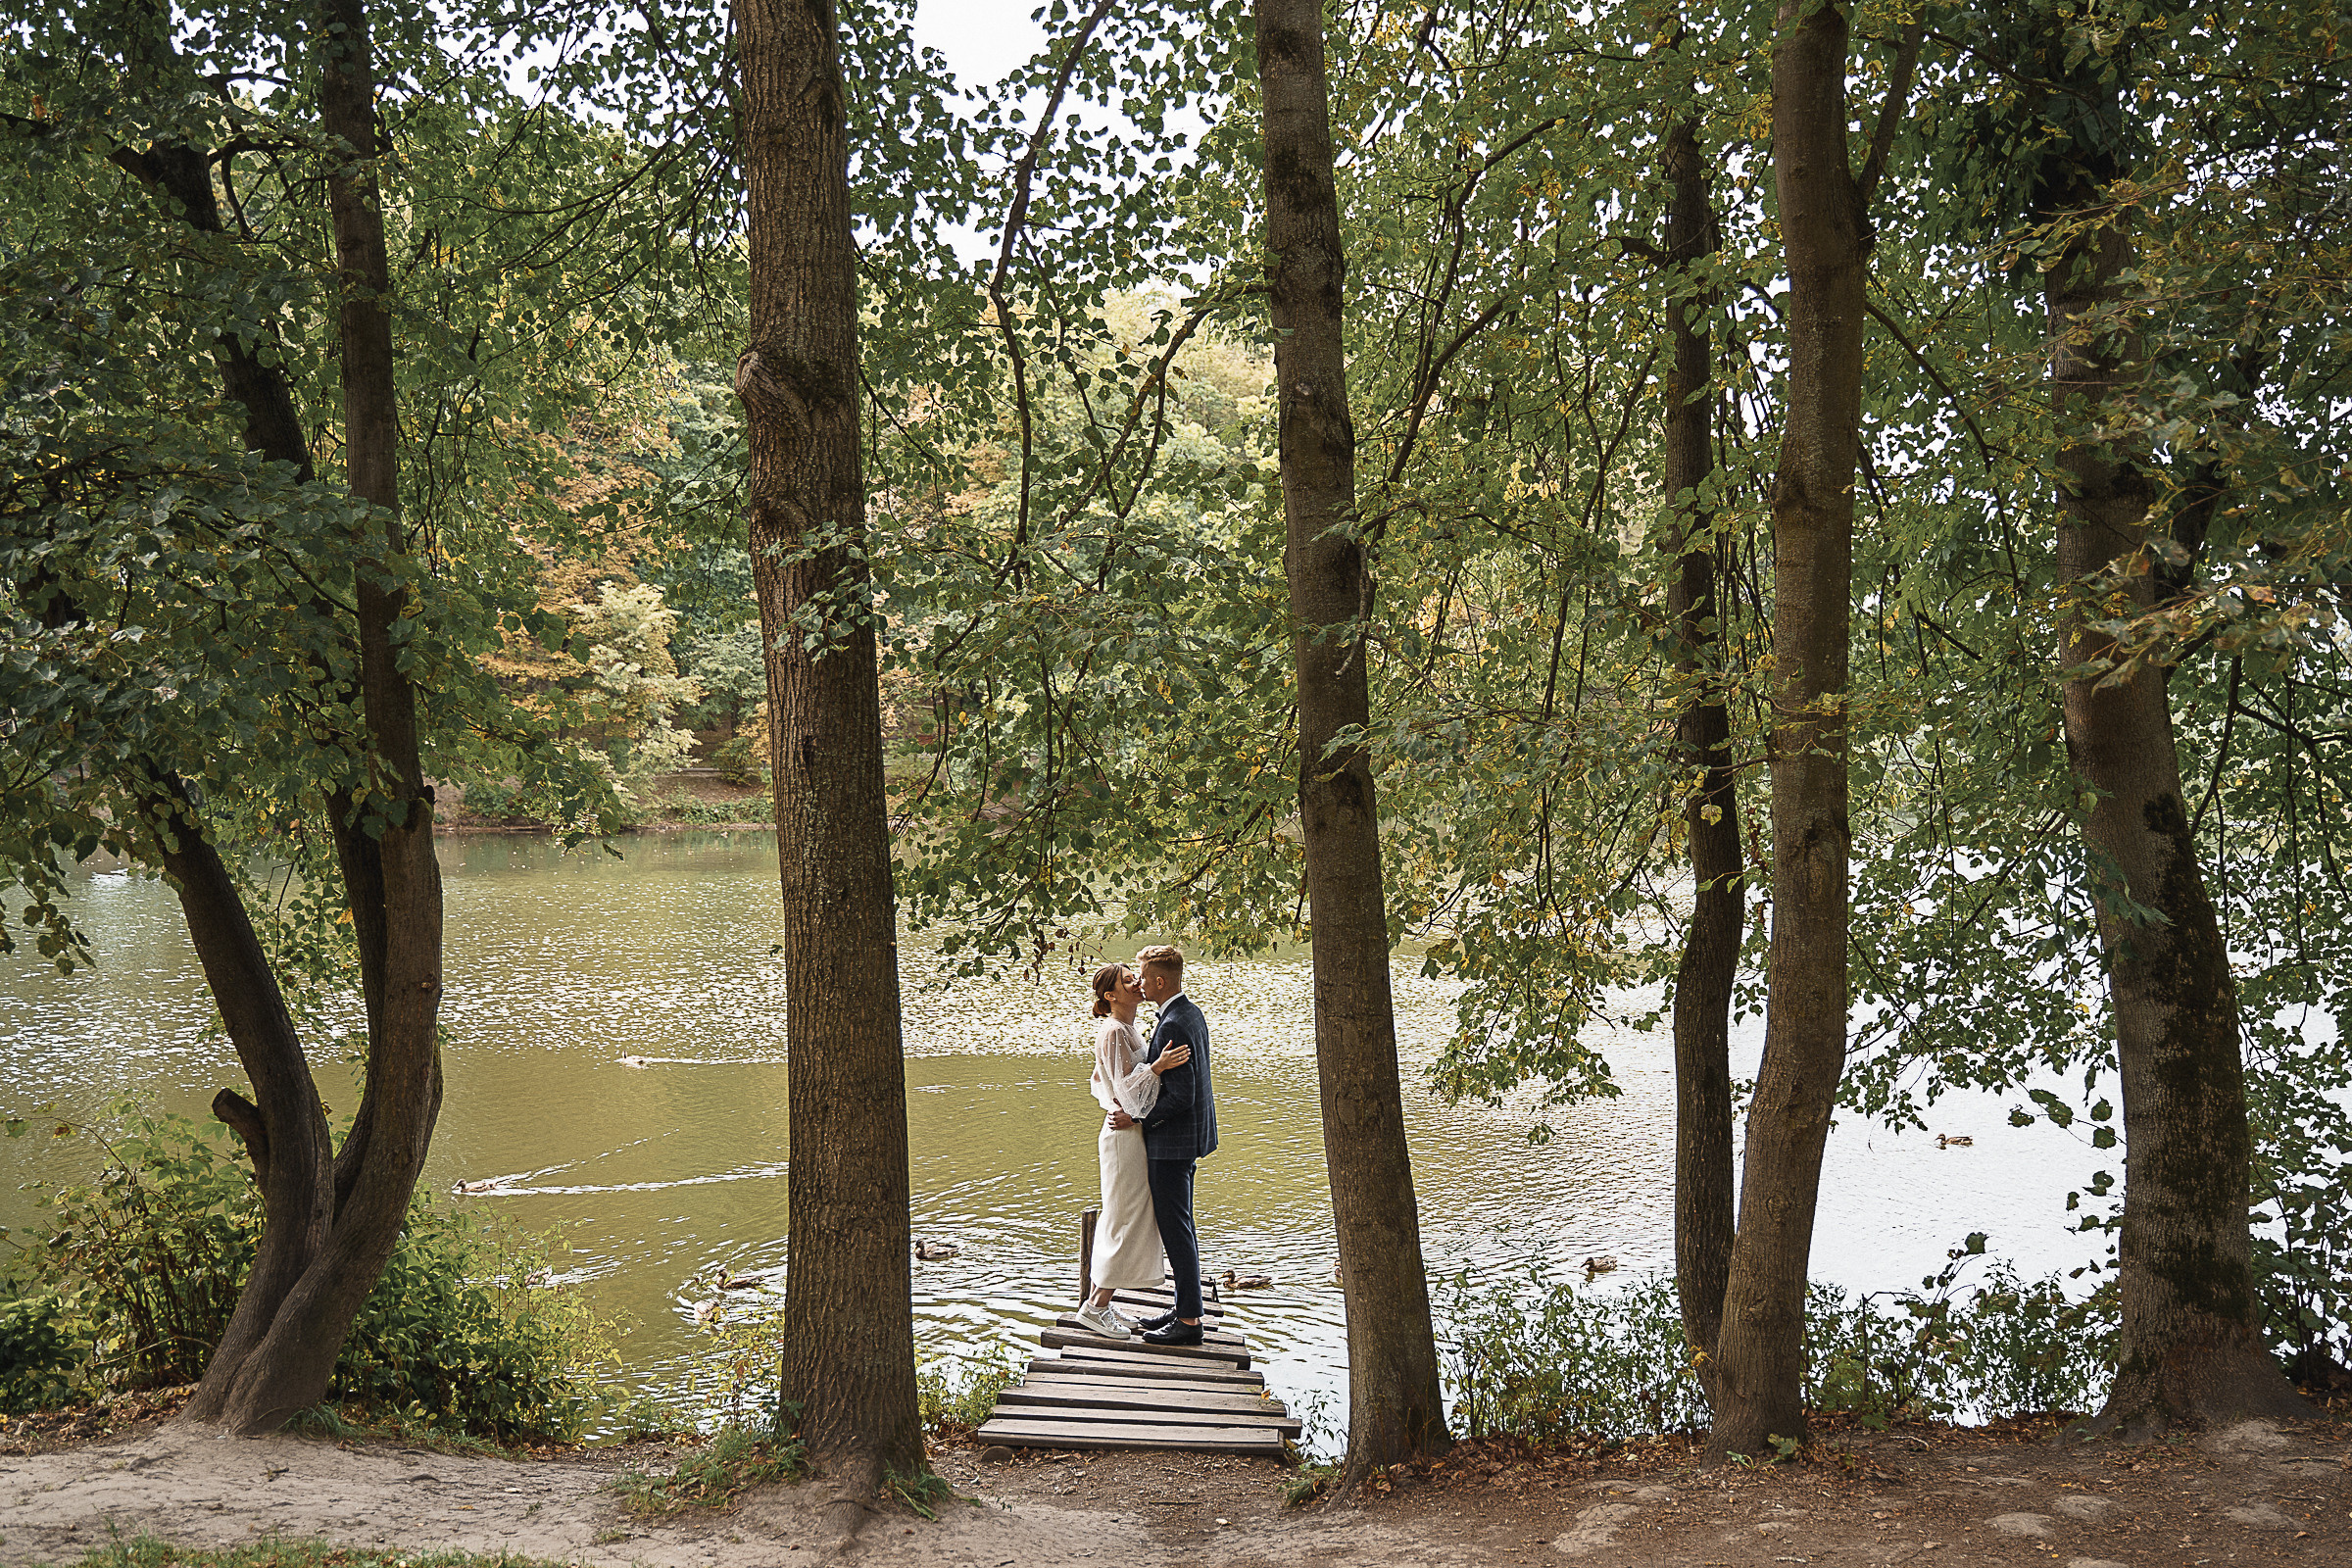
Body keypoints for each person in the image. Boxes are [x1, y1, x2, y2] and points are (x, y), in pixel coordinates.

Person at [1074, 961, 1190, 1338]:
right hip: (1122, 1140)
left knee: (1129, 1215)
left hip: (1131, 1131)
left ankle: (1098, 1304)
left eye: (1135, 977)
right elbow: (1124, 1092)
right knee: (1124, 1218)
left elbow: (1105, 1083)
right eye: (1128, 981)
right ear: (1111, 996)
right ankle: (1095, 1307)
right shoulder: (1112, 1032)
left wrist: (1125, 1106)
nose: (1137, 983)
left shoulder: (1129, 1029)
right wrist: (1156, 1067)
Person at [1130, 944, 1216, 1346]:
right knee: (1183, 1227)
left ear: (1160, 981)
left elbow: (1181, 1095)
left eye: (1143, 976)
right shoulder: (1189, 1013)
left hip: (1171, 1144)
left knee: (1176, 1229)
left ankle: (1189, 1324)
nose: (1139, 982)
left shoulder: (1172, 1025)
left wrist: (1139, 1118)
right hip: (1187, 1140)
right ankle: (1187, 1306)